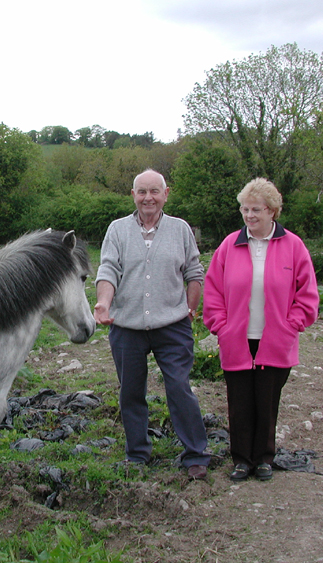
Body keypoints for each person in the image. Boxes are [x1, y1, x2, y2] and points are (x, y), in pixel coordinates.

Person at [94, 169, 211, 480]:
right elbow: (108, 270)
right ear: (133, 195)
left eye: (154, 191)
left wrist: (190, 309)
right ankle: (137, 453)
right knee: (131, 391)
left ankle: (196, 454)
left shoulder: (180, 229)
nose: (148, 198)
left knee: (178, 386)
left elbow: (194, 273)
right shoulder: (117, 230)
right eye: (142, 192)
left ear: (166, 194)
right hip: (127, 326)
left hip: (172, 325)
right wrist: (104, 303)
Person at [203, 178, 319, 481]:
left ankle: (264, 458)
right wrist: (221, 326)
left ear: (272, 211)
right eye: (245, 209)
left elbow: (307, 294)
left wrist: (291, 325)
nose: (249, 215)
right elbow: (213, 290)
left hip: (275, 341)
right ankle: (242, 459)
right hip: (237, 338)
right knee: (239, 402)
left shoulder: (293, 246)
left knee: (267, 403)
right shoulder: (230, 245)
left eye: (256, 209)